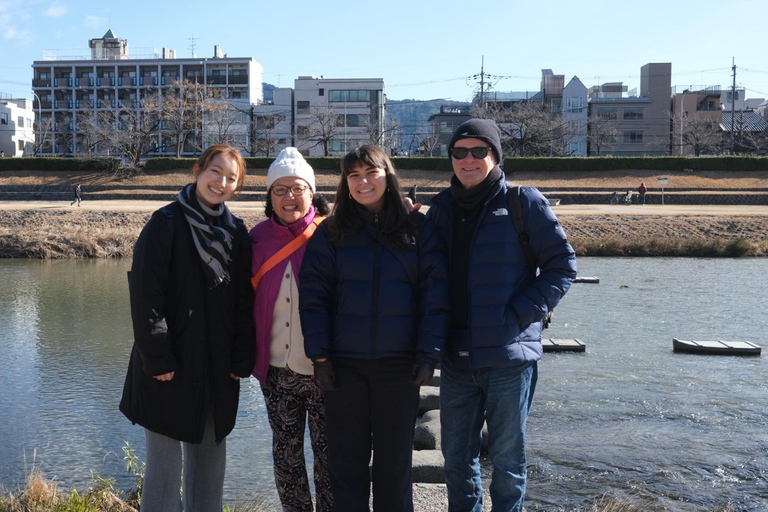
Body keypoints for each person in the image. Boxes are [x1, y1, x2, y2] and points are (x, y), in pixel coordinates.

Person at [426, 119, 577, 512]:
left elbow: (562, 265)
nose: (469, 159)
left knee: (508, 462)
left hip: (510, 358)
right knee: (457, 459)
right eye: (460, 152)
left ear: (495, 156)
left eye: (480, 151)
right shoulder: (440, 209)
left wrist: (520, 315)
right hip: (456, 359)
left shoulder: (522, 202)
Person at [299, 145, 449, 512]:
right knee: (346, 466)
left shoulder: (418, 228)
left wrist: (428, 353)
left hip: (399, 367)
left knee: (394, 466)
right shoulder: (332, 231)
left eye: (371, 172)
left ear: (388, 175)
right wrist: (319, 356)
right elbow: (313, 297)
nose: (363, 182)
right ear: (345, 183)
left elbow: (435, 296)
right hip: (344, 366)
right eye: (354, 175)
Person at [119, 144, 255, 512]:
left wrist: (241, 360)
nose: (221, 182)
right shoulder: (165, 224)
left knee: (210, 466)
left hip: (216, 367)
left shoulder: (237, 232)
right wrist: (158, 358)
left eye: (231, 178)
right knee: (164, 470)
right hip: (166, 367)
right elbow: (146, 296)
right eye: (216, 171)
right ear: (198, 170)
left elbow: (244, 302)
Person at [249, 148, 332, 511]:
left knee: (330, 459)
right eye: (279, 190)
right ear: (269, 196)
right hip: (277, 373)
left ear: (312, 193)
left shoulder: (332, 234)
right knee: (286, 459)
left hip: (326, 371)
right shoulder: (256, 239)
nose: (289, 197)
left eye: (297, 188)